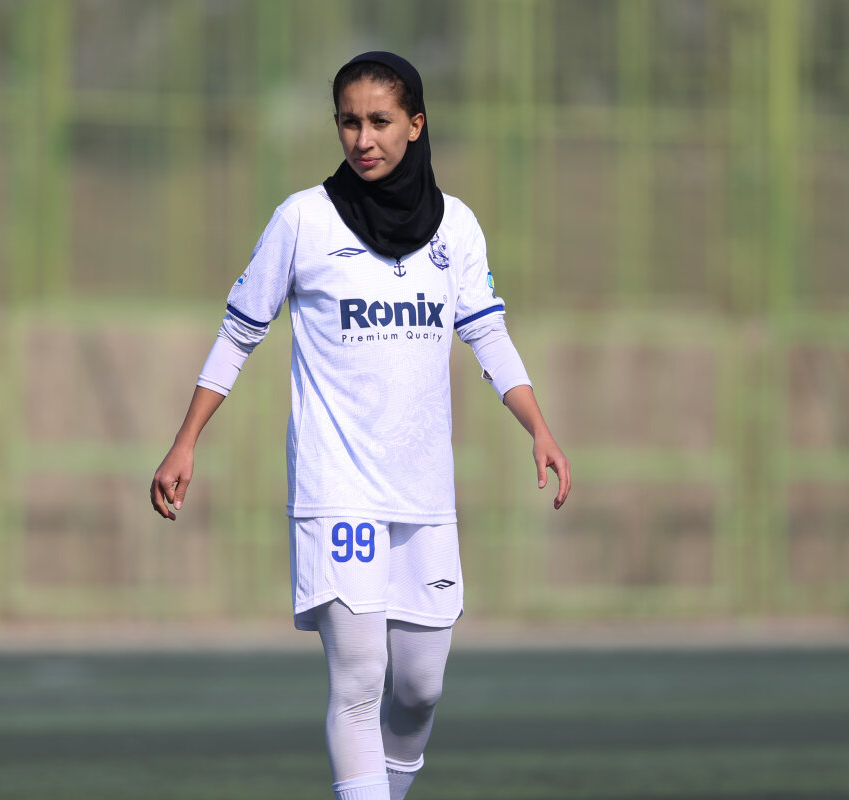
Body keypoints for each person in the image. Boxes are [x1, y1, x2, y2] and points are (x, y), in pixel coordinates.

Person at [150, 51, 570, 800]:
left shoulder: (457, 227)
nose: (363, 138)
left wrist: (537, 425)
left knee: (420, 689)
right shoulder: (303, 219)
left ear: (416, 124)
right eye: (349, 122)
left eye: (380, 121)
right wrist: (186, 441)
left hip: (423, 493)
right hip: (336, 487)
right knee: (359, 680)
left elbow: (487, 332)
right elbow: (239, 331)